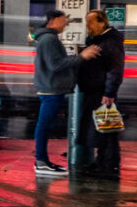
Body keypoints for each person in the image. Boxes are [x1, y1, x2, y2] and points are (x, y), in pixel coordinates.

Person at [32, 9, 100, 176]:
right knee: (44, 126)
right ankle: (41, 162)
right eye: (63, 21)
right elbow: (56, 64)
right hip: (51, 89)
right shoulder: (49, 39)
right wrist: (82, 57)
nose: (66, 24)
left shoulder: (48, 38)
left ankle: (43, 162)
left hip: (51, 88)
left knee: (45, 125)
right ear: (52, 21)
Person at [76, 10, 125, 177]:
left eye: (91, 22)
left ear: (102, 23)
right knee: (102, 128)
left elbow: (115, 69)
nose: (88, 25)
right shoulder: (100, 41)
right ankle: (102, 162)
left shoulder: (109, 42)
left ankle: (108, 165)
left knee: (107, 129)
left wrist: (109, 92)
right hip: (96, 90)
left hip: (102, 92)